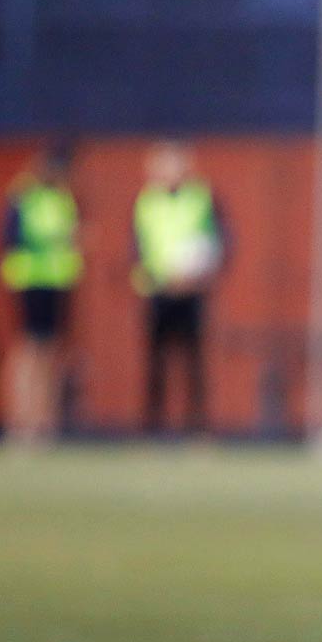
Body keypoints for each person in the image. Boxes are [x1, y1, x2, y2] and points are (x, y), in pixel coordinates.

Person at [132, 141, 225, 435]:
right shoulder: (146, 201)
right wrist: (157, 278)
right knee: (156, 359)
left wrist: (200, 274)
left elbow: (219, 240)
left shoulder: (201, 197)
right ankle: (152, 426)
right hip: (158, 290)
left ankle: (197, 426)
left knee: (193, 358)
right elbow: (137, 247)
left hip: (192, 290)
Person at [0, 141, 82, 446]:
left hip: (56, 283)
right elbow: (12, 240)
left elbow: (69, 241)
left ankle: (44, 420)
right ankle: (20, 420)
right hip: (29, 282)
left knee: (50, 353)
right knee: (27, 351)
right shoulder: (22, 197)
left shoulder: (63, 200)